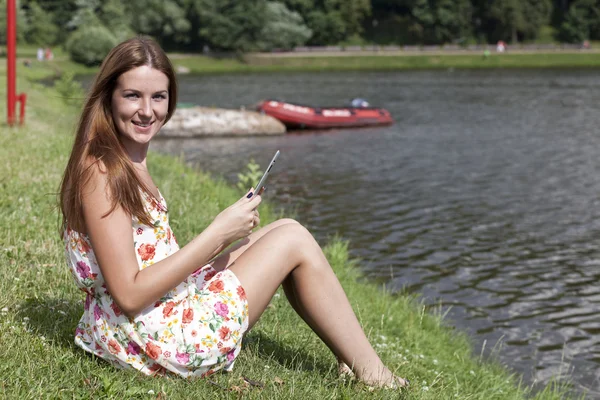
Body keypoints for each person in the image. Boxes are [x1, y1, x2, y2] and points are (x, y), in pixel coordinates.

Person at [59, 36, 408, 389]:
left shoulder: (120, 157)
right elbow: (130, 295)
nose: (148, 111)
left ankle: (350, 356)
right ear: (108, 96)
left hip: (141, 321)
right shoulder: (102, 174)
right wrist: (217, 234)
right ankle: (376, 376)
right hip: (157, 341)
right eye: (133, 95)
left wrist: (224, 236)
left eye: (159, 97)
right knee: (293, 240)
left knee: (285, 226)